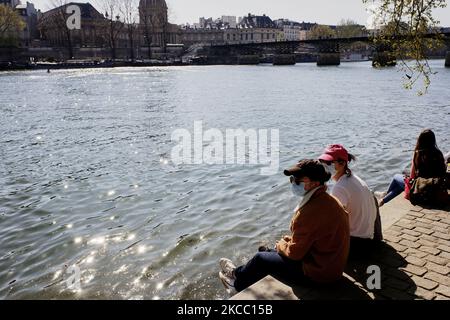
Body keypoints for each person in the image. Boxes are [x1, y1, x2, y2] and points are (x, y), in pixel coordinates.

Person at [218, 160, 350, 295]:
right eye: (292, 179)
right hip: (331, 266)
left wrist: (281, 244)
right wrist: (285, 243)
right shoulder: (329, 200)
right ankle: (239, 272)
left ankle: (236, 283)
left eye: (298, 181)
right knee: (268, 251)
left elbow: (294, 254)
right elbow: (312, 237)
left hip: (319, 275)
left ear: (315, 183)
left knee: (261, 258)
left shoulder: (309, 212)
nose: (293, 183)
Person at [318, 144, 381, 256]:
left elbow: (331, 221)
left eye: (328, 163)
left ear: (342, 163)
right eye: (322, 162)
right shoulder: (353, 178)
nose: (324, 166)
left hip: (357, 244)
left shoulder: (340, 187)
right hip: (368, 237)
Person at [379, 129, 447, 206]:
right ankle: (383, 200)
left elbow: (412, 176)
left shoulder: (419, 154)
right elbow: (442, 171)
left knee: (396, 177)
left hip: (420, 188)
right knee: (399, 186)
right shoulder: (438, 154)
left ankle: (384, 197)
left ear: (420, 141)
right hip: (435, 188)